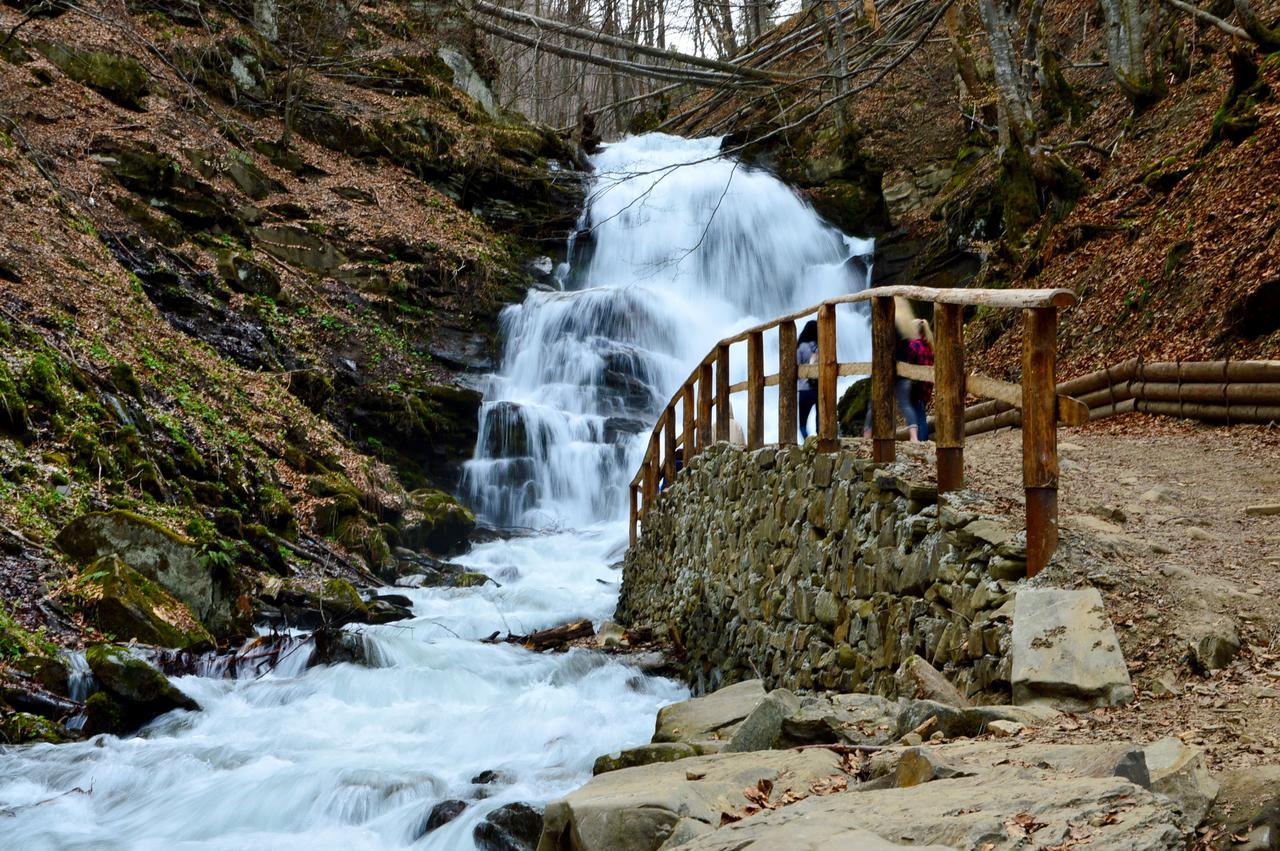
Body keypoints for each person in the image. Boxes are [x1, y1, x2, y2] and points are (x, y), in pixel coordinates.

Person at [863, 314, 934, 442]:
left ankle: (919, 439)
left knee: (877, 405)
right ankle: (918, 439)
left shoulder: (914, 345)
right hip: (924, 385)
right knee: (916, 411)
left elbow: (909, 359)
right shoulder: (926, 345)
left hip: (914, 384)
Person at [796, 320, 819, 438]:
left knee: (802, 424)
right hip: (819, 389)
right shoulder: (821, 346)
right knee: (820, 422)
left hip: (804, 389)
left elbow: (795, 367)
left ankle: (807, 444)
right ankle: (821, 443)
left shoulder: (801, 347)